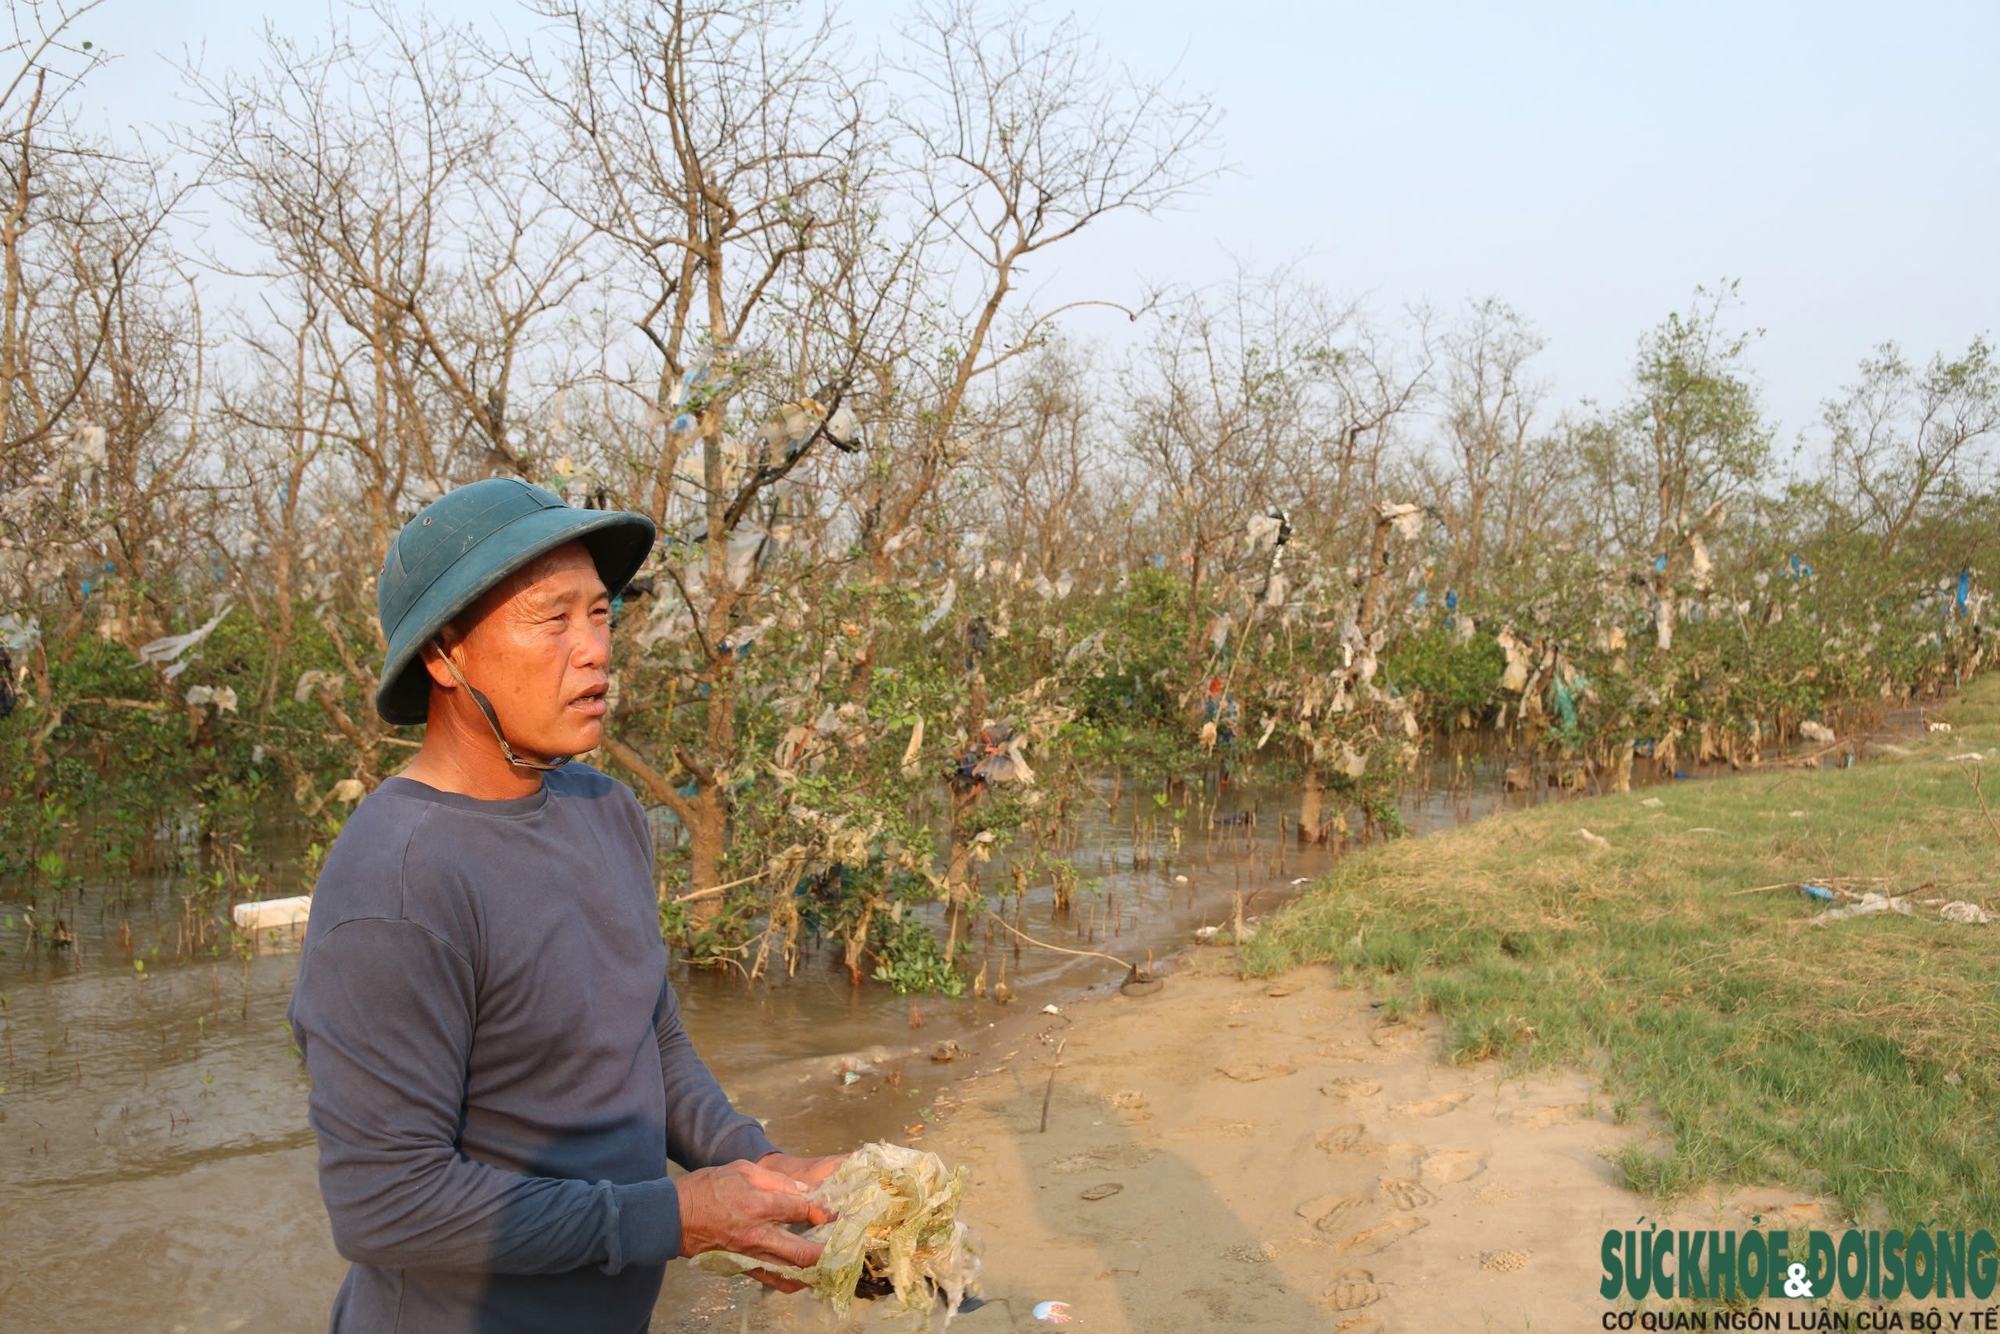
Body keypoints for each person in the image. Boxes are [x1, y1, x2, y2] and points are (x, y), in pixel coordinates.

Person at [288, 478, 842, 1333]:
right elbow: (386, 1203)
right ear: (444, 654)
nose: (593, 651)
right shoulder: (398, 882)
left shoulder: (607, 811)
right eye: (553, 619)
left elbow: (648, 1041)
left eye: (600, 615)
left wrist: (759, 1165)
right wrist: (677, 1217)